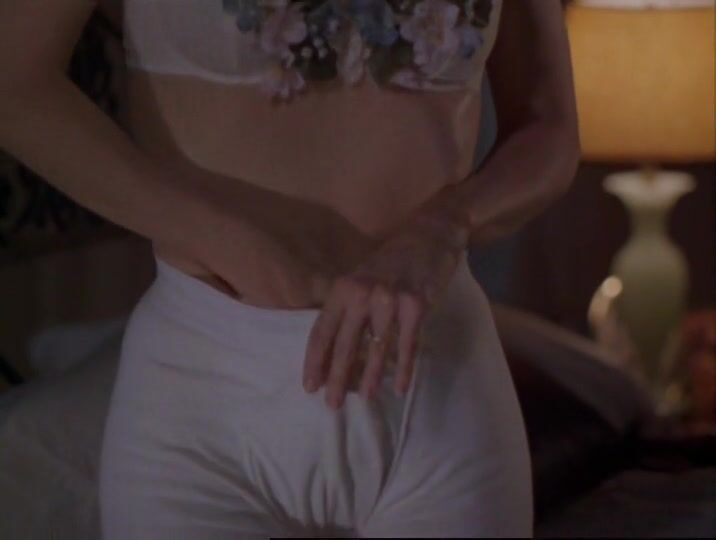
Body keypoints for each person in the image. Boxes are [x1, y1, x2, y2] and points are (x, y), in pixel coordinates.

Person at [0, 0, 580, 537]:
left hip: (434, 379)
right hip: (204, 395)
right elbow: (14, 85)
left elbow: (549, 127)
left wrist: (445, 227)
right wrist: (217, 236)